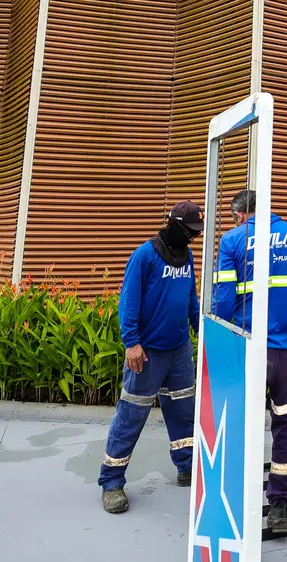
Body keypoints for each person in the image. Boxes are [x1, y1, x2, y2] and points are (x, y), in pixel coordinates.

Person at [213, 188, 287, 535]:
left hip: (245, 348)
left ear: (239, 214)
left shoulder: (232, 241)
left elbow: (223, 301)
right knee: (286, 423)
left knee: (239, 420)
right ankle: (281, 507)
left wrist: (222, 346)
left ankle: (230, 499)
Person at [99, 200, 204, 514]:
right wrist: (132, 343)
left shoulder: (187, 257)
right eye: (189, 231)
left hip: (179, 351)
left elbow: (191, 298)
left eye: (196, 233)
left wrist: (201, 332)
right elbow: (128, 301)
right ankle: (112, 482)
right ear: (173, 225)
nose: (193, 238)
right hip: (146, 354)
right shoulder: (144, 255)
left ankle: (187, 466)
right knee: (131, 415)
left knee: (183, 410)